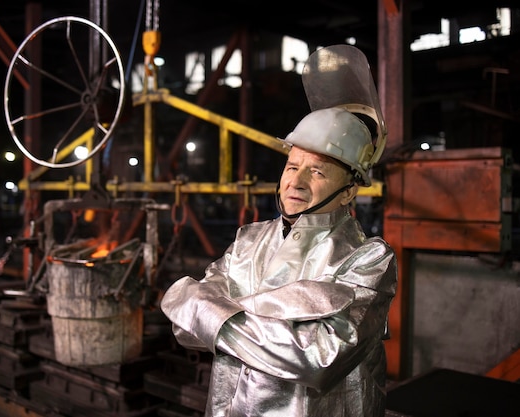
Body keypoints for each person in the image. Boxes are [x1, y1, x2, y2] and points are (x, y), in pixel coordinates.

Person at [160, 104, 398, 416]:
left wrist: (210, 310)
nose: (295, 182)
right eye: (291, 166)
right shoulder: (249, 240)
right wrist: (282, 326)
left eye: (317, 171)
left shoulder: (368, 260)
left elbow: (318, 360)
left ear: (348, 192)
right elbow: (184, 330)